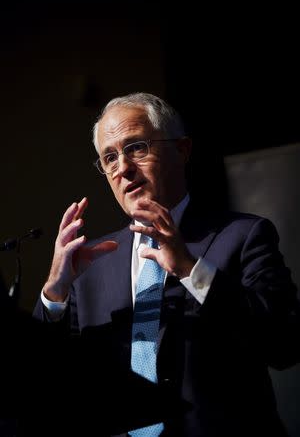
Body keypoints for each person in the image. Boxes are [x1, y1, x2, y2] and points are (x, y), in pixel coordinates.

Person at [33, 92, 300, 437]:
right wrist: (55, 290)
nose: (123, 168)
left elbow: (284, 345)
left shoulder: (244, 235)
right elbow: (41, 378)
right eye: (109, 157)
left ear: (182, 149)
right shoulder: (91, 263)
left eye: (137, 148)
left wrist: (191, 269)